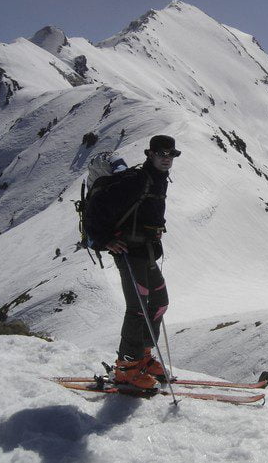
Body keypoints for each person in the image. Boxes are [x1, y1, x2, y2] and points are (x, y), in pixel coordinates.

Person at [84, 135, 181, 389]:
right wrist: (105, 240)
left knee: (159, 303)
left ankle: (144, 358)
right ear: (149, 154)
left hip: (146, 251)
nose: (166, 158)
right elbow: (97, 206)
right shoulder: (135, 181)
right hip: (129, 253)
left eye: (171, 154)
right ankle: (126, 367)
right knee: (138, 308)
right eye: (161, 153)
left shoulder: (158, 180)